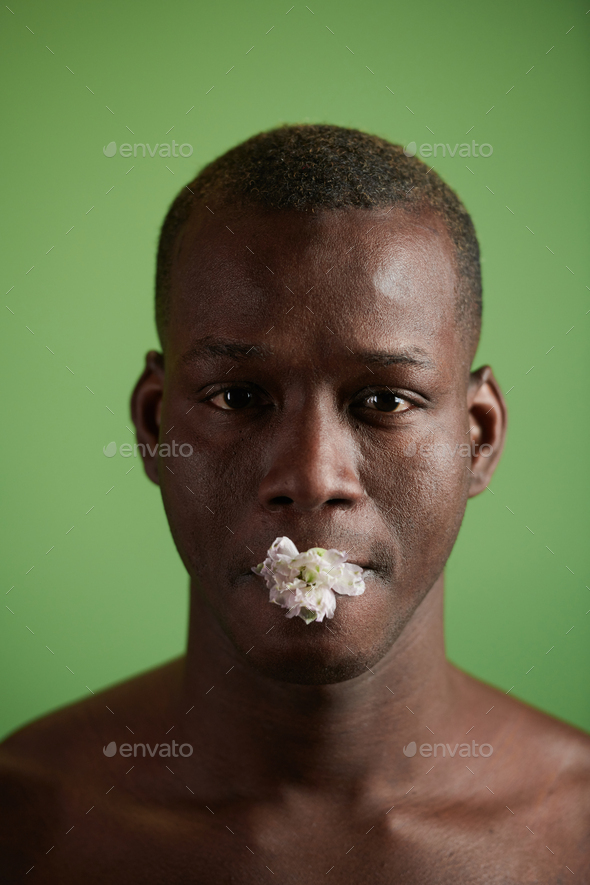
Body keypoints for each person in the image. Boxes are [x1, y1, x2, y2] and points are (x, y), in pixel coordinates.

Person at [1, 125, 589, 883]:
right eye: (239, 397)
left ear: (478, 436)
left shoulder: (573, 833)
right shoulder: (26, 825)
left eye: (383, 399)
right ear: (153, 425)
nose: (313, 475)